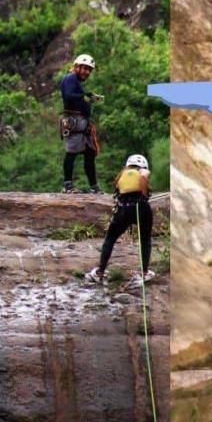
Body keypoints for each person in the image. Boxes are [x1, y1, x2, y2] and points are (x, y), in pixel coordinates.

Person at [86, 154, 155, 285]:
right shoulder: (143, 173)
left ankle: (100, 272)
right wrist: (144, 178)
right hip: (142, 209)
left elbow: (117, 193)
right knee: (145, 240)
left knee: (110, 239)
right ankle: (145, 272)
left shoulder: (121, 176)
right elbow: (145, 193)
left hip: (123, 210)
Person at [59, 54, 104, 193]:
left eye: (89, 70)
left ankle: (94, 187)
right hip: (73, 122)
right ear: (77, 67)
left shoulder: (75, 81)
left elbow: (74, 97)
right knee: (71, 153)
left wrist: (87, 98)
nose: (86, 72)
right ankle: (67, 185)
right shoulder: (70, 78)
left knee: (90, 154)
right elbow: (68, 96)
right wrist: (85, 95)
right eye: (84, 68)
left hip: (82, 123)